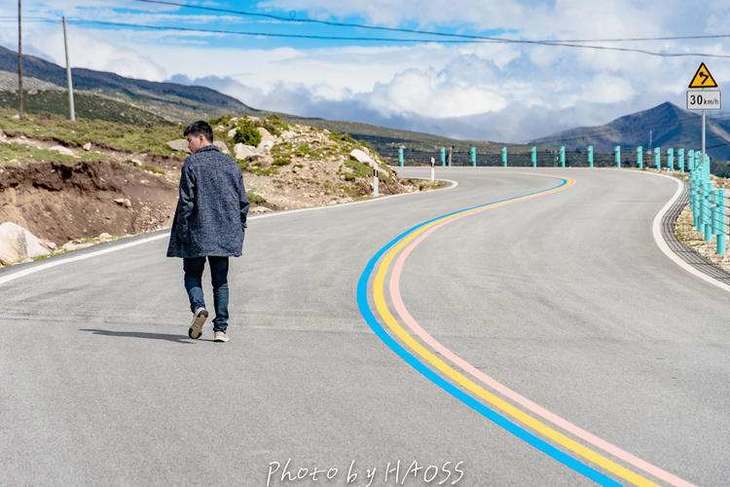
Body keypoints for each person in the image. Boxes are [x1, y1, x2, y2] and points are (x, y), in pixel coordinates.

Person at [166, 120, 249, 343]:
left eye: (189, 140)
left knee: (192, 274)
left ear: (201, 138)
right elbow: (243, 202)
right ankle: (220, 330)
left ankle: (199, 307)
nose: (188, 146)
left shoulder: (192, 164)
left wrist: (182, 232)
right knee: (220, 282)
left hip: (197, 232)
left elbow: (186, 202)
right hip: (225, 233)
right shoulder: (231, 164)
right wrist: (238, 229)